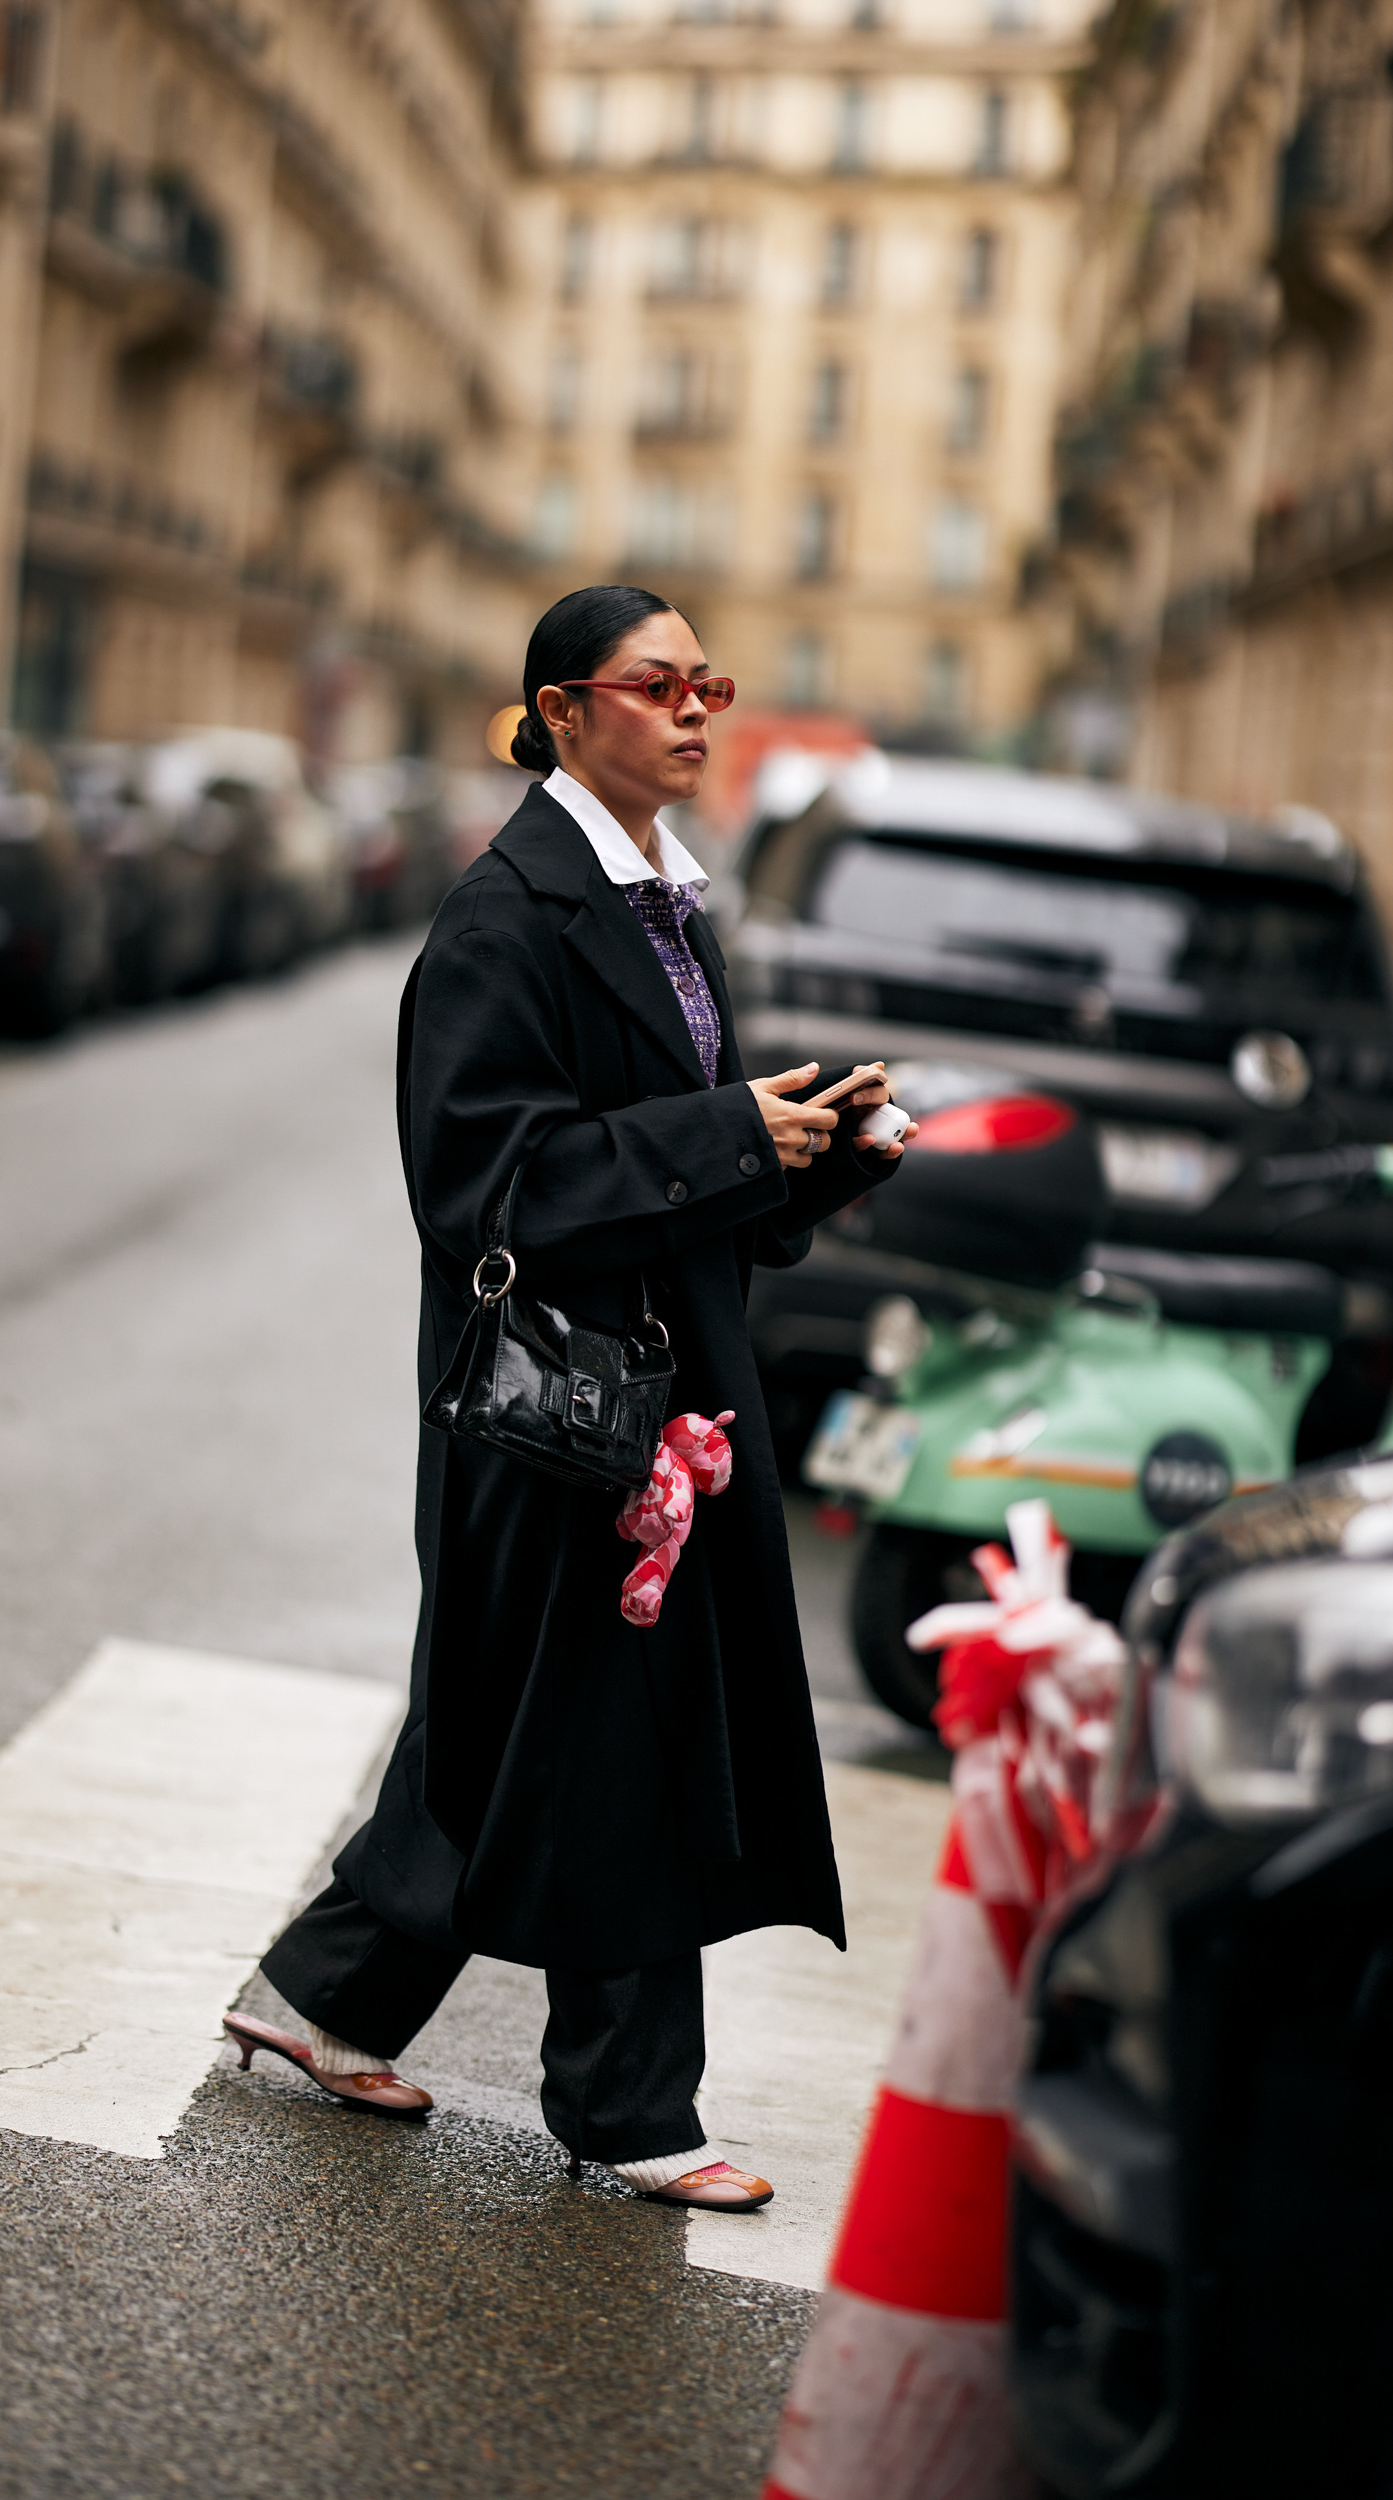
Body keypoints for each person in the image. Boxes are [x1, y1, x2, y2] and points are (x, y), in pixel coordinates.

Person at [226, 584, 903, 2211]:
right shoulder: (504, 918)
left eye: (708, 684)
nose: (695, 710)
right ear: (562, 709)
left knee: (505, 1728)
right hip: (555, 1413)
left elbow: (669, 1171)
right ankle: (629, 2107)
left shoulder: (672, 906)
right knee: (614, 1736)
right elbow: (487, 1185)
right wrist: (735, 1134)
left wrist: (814, 1154)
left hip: (657, 1392)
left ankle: (318, 1997)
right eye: (658, 684)